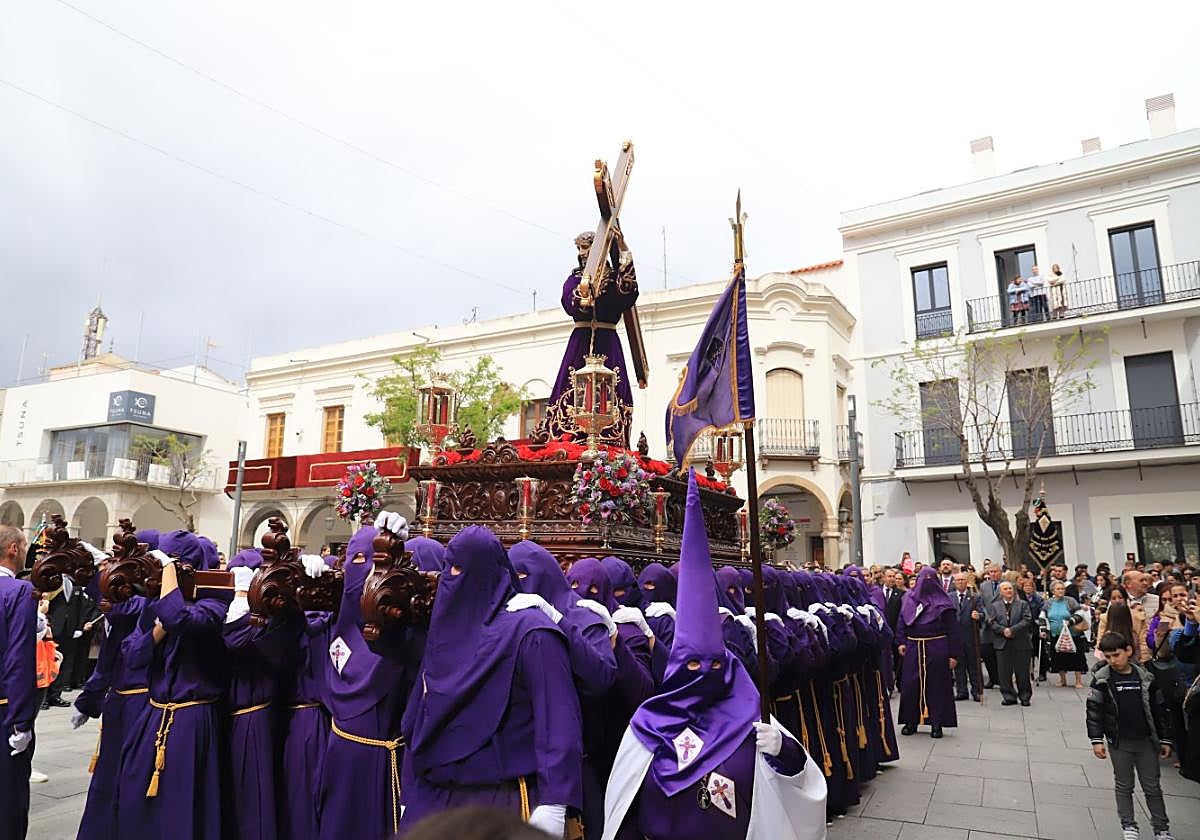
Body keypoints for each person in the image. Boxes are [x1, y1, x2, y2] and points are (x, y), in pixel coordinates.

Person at [601, 471, 826, 840]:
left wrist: (786, 752)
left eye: (714, 665)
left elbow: (805, 789)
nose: (703, 672)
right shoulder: (648, 724)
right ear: (675, 669)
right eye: (691, 665)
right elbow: (624, 808)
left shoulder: (751, 721)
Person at [400, 526, 583, 836]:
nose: (452, 578)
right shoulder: (444, 630)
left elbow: (558, 720)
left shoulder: (531, 632)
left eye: (461, 569)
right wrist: (409, 790)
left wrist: (555, 801)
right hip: (434, 796)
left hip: (502, 800)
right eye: (449, 567)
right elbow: (421, 714)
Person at [116, 530, 231, 840]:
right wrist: (155, 634)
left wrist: (169, 585)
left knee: (183, 803)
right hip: (153, 714)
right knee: (134, 795)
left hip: (192, 719)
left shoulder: (214, 606)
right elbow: (132, 655)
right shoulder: (154, 605)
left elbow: (180, 618)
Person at [1088, 632, 1175, 840]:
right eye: (1107, 657)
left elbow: (1159, 709)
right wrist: (1096, 739)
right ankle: (1129, 825)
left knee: (1152, 786)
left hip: (1146, 741)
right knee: (1124, 785)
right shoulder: (1102, 680)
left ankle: (1161, 828)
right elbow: (1093, 711)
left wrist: (1165, 738)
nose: (1112, 661)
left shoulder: (1146, 677)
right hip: (1120, 741)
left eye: (1116, 655)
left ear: (1128, 651)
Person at [1, 525, 37, 840]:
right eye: (24, 544)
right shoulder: (19, 592)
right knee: (7, 803)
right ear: (13, 548)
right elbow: (18, 660)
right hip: (4, 712)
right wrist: (21, 722)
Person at [895, 567, 960, 738]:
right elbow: (901, 621)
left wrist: (953, 654)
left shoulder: (944, 602)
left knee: (936, 685)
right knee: (910, 685)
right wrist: (901, 641)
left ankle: (936, 723)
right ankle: (911, 721)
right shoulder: (908, 598)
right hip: (914, 646)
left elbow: (953, 630)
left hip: (936, 646)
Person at [987, 580, 1033, 706]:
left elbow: (1027, 619)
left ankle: (1025, 696)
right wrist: (1003, 631)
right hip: (1002, 643)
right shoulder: (995, 606)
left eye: (1010, 588)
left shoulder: (1022, 604)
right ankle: (1009, 696)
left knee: (1022, 672)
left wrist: (1012, 630)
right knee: (1004, 672)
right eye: (1005, 589)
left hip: (1020, 642)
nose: (1008, 591)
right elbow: (991, 622)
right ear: (1001, 592)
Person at [1045, 580, 1087, 689]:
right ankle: (1062, 680)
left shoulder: (1070, 601)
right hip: (1056, 633)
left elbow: (1080, 613)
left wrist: (1071, 621)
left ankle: (1078, 681)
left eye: (1062, 588)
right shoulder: (1049, 602)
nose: (1061, 591)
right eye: (1058, 589)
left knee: (1077, 656)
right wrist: (1043, 629)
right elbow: (1043, 616)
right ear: (1053, 590)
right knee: (1058, 657)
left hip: (1072, 633)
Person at [951, 573, 983, 702]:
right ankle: (961, 691)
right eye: (957, 580)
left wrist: (979, 615)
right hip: (956, 636)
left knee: (973, 665)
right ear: (954, 582)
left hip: (971, 636)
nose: (960, 582)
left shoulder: (975, 597)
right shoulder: (949, 597)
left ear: (967, 582)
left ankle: (976, 691)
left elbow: (983, 613)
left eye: (962, 580)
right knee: (959, 666)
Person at [978, 565, 1002, 688]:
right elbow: (981, 603)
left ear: (1000, 572)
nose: (993, 574)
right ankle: (992, 678)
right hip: (987, 625)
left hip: (1001, 623)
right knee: (987, 652)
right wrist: (987, 617)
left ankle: (1002, 679)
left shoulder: (1007, 585)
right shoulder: (983, 586)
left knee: (1001, 654)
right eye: (991, 572)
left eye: (995, 571)